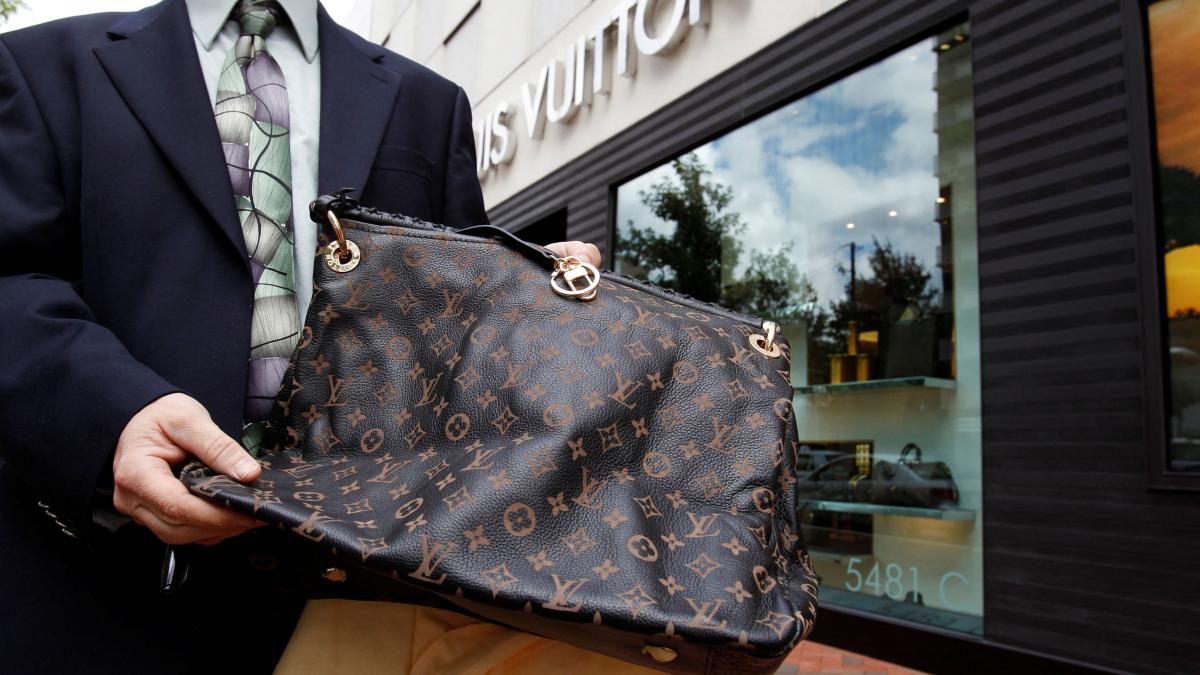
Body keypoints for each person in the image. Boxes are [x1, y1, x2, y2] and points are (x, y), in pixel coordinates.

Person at [0, 1, 599, 672]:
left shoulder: (428, 101)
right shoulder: (39, 66)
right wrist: (109, 417)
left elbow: (458, 330)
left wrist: (530, 301)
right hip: (94, 590)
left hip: (361, 605)